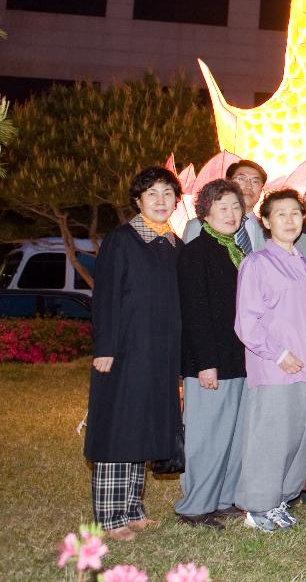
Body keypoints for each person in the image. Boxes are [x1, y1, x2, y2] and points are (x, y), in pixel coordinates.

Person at [84, 166, 185, 541]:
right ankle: (110, 518)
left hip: (160, 354)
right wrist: (105, 347)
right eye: (152, 194)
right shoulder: (123, 239)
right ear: (138, 200)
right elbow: (106, 296)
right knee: (118, 428)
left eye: (167, 194)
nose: (161, 201)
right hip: (125, 351)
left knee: (143, 427)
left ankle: (133, 510)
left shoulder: (174, 244)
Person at [233, 189, 306, 532]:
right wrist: (278, 354)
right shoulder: (258, 263)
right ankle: (258, 506)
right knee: (270, 438)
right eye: (280, 213)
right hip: (275, 367)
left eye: (295, 213)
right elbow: (246, 322)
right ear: (265, 221)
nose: (289, 219)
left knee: (298, 440)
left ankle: (280, 500)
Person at [174, 179, 249, 530]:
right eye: (222, 207)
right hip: (210, 363)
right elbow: (195, 312)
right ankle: (194, 505)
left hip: (237, 360)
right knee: (207, 436)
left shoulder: (237, 251)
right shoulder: (195, 251)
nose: (231, 213)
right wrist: (206, 364)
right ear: (205, 211)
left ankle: (221, 498)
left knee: (232, 436)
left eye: (236, 207)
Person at [181, 159, 267, 251]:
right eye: (241, 179)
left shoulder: (269, 230)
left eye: (255, 182)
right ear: (228, 182)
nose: (249, 186)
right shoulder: (198, 225)